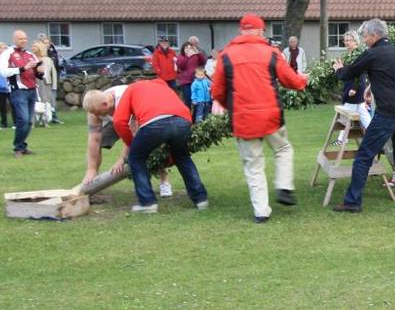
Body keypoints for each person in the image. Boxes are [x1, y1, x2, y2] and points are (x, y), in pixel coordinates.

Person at [212, 14, 307, 223]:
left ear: (241, 31)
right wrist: (302, 82)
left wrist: (231, 106)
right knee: (283, 149)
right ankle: (284, 187)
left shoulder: (226, 55)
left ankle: (261, 211)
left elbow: (217, 90)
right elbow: (289, 79)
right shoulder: (270, 52)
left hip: (243, 118)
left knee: (253, 165)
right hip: (271, 115)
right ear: (260, 31)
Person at [332, 19, 395, 212]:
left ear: (374, 35)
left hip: (387, 112)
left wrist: (338, 70)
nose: (363, 40)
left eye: (365, 36)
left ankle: (352, 202)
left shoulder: (372, 54)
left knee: (364, 155)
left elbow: (350, 73)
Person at [114, 79, 209, 213]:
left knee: (136, 158)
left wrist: (131, 143)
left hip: (154, 123)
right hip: (183, 120)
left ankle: (147, 202)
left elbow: (119, 122)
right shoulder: (163, 87)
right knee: (182, 157)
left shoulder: (131, 89)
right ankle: (201, 199)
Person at [80, 85, 173, 195]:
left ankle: (164, 182)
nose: (97, 116)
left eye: (98, 113)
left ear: (105, 105)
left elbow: (132, 134)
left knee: (154, 147)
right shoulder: (94, 109)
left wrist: (122, 159)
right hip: (115, 119)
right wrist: (91, 169)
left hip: (142, 118)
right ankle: (93, 182)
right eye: (94, 113)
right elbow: (94, 140)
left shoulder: (124, 99)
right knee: (99, 142)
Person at [0, 30, 45, 157]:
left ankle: (22, 146)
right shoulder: (7, 53)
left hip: (31, 89)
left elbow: (38, 74)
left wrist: (40, 71)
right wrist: (23, 68)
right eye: (20, 39)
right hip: (18, 90)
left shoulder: (30, 54)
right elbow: (3, 72)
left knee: (29, 121)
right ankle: (18, 148)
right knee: (23, 119)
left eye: (25, 38)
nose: (23, 41)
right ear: (14, 39)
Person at [339, 31, 372, 129]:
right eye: (345, 40)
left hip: (354, 90)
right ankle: (373, 133)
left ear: (355, 42)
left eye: (349, 40)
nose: (346, 42)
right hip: (349, 88)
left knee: (346, 114)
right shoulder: (347, 55)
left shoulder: (358, 55)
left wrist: (354, 88)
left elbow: (360, 73)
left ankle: (341, 139)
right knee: (363, 114)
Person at [36, 34, 63, 124]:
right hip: (41, 81)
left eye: (48, 42)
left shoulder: (52, 53)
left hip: (51, 80)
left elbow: (55, 69)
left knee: (52, 100)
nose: (47, 44)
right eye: (44, 42)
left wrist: (54, 83)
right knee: (42, 100)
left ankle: (53, 117)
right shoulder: (38, 55)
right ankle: (42, 119)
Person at [33, 41, 57, 123]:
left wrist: (54, 85)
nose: (33, 48)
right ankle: (35, 120)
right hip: (35, 82)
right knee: (36, 101)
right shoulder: (31, 58)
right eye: (32, 46)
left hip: (46, 83)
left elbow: (53, 73)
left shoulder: (48, 59)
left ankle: (45, 120)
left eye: (35, 46)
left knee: (46, 101)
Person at [176, 42, 202, 108]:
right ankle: (188, 115)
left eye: (190, 48)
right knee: (188, 100)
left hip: (196, 80)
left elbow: (203, 62)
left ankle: (195, 116)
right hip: (186, 82)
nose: (188, 49)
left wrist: (198, 53)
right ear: (183, 49)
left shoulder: (195, 56)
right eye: (186, 48)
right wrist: (187, 56)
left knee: (197, 99)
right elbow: (181, 66)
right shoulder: (180, 57)